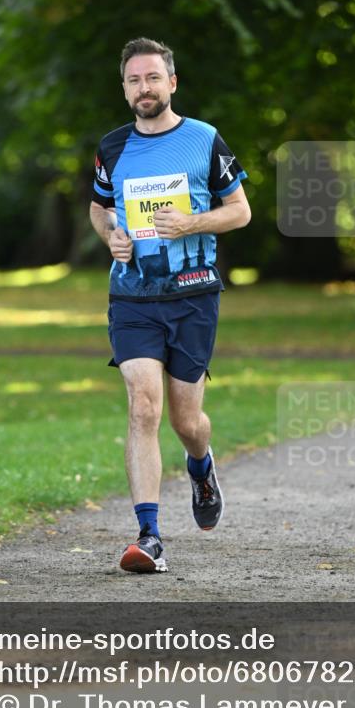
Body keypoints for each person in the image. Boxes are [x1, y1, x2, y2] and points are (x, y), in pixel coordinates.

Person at [89, 37, 251, 573]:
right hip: (132, 297)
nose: (144, 88)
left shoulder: (204, 140)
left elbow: (240, 212)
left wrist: (192, 223)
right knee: (142, 405)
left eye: (152, 78)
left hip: (194, 297)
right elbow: (99, 208)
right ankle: (149, 535)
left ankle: (201, 467)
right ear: (124, 87)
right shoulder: (111, 147)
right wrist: (111, 234)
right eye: (134, 80)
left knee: (187, 420)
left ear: (172, 82)